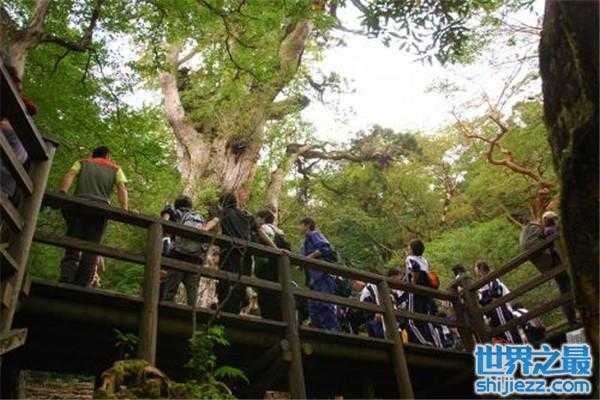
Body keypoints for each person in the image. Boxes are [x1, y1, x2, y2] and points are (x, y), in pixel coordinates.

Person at [58, 146, 128, 286]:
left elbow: (70, 175)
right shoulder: (115, 168)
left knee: (72, 241)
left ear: (92, 155)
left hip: (79, 205)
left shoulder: (82, 162)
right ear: (107, 156)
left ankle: (67, 276)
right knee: (92, 246)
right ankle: (83, 282)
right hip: (101, 210)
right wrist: (124, 208)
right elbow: (122, 188)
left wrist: (63, 192)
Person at [160, 195, 219, 306]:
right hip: (195, 259)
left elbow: (164, 223)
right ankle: (192, 314)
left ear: (177, 205)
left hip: (178, 256)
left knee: (170, 290)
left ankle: (165, 312)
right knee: (192, 294)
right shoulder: (199, 217)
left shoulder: (177, 213)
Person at [519, 213, 576, 323]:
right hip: (554, 261)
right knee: (568, 287)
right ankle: (575, 316)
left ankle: (571, 318)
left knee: (564, 289)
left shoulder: (527, 233)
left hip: (548, 264)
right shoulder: (535, 229)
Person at [216, 192, 255, 314]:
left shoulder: (224, 213)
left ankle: (225, 311)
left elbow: (215, 222)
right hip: (245, 255)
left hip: (229, 253)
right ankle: (235, 311)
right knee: (240, 284)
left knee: (226, 282)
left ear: (223, 203)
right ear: (235, 202)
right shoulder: (246, 216)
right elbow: (258, 230)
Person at [299, 217, 339, 331]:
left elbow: (325, 248)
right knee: (314, 306)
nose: (298, 228)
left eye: (300, 225)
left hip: (322, 275)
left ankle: (331, 331)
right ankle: (318, 330)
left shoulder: (314, 234)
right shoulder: (306, 241)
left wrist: (307, 259)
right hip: (313, 278)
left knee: (325, 304)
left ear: (307, 225)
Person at [474, 260, 522, 344]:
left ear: (480, 269)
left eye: (476, 268)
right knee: (500, 332)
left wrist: (487, 297)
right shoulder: (482, 283)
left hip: (500, 308)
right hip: (492, 312)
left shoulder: (492, 279)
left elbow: (497, 293)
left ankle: (514, 345)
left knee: (507, 329)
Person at [397, 261, 442, 347]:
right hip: (424, 302)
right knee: (427, 323)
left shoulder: (419, 277)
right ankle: (434, 344)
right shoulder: (425, 277)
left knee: (413, 321)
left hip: (417, 301)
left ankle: (425, 343)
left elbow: (410, 321)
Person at [254, 208, 287, 321]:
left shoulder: (263, 227)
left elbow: (261, 235)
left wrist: (275, 249)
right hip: (276, 266)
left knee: (264, 293)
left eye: (257, 217)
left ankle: (267, 319)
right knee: (274, 292)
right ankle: (277, 318)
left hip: (264, 264)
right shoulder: (279, 231)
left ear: (263, 218)